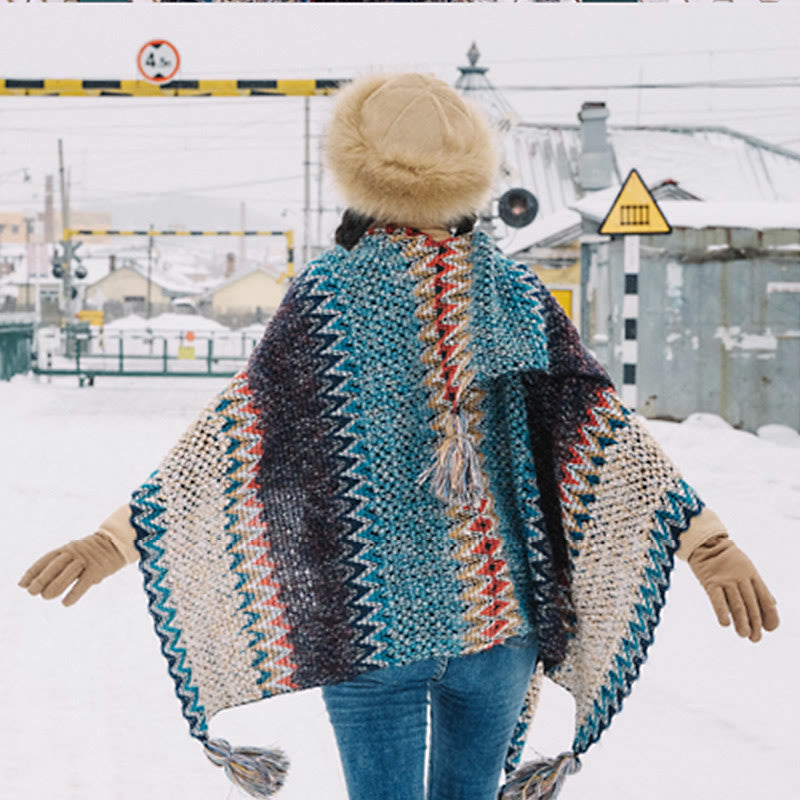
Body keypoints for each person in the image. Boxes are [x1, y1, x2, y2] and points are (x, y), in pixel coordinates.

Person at [19, 73, 779, 800]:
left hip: (370, 624)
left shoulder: (328, 296)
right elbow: (602, 432)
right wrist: (705, 541)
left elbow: (236, 436)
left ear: (360, 171)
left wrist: (115, 540)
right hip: (497, 624)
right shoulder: (514, 292)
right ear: (470, 172)